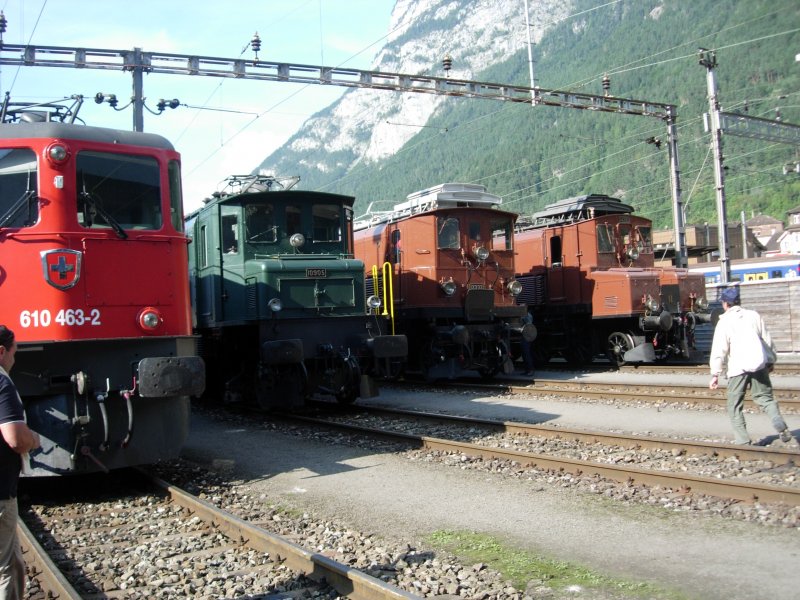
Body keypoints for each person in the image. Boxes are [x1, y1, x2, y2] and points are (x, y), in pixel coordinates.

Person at [709, 287, 793, 445]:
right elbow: (767, 340)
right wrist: (771, 360)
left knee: (734, 405)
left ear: (725, 304)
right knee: (766, 398)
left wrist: (715, 374)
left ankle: (743, 441)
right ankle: (779, 423)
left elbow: (719, 349)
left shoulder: (724, 322)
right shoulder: (753, 316)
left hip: (737, 368)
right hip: (759, 363)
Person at [0, 325, 40, 600]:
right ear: (2, 352)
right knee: (5, 568)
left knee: (12, 562)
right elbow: (15, 437)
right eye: (15, 351)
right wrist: (33, 439)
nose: (15, 358)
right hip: (0, 492)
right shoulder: (2, 382)